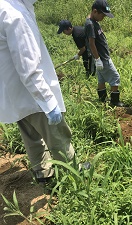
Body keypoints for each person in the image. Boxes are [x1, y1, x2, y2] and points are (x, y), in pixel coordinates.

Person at [0, 0, 75, 183]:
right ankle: (73, 175)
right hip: (34, 94)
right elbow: (29, 68)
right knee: (58, 136)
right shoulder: (15, 15)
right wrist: (48, 102)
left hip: (14, 93)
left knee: (31, 136)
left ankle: (43, 174)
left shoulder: (5, 7)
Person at [85, 0, 124, 106]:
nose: (104, 18)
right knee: (115, 77)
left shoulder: (93, 22)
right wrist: (98, 59)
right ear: (95, 11)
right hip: (102, 58)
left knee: (101, 79)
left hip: (101, 57)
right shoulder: (90, 25)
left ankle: (102, 100)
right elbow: (91, 43)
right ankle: (114, 102)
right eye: (103, 15)